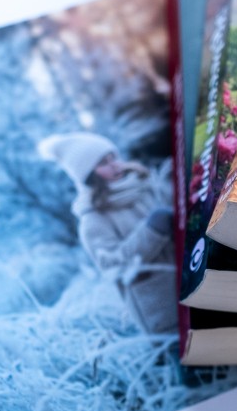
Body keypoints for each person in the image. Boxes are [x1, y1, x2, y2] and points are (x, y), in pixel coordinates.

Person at [38, 132, 175, 334]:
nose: (115, 166)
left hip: (194, 281)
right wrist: (152, 231)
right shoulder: (92, 219)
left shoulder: (145, 184)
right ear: (87, 176)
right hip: (164, 311)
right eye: (103, 163)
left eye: (114, 157)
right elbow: (114, 265)